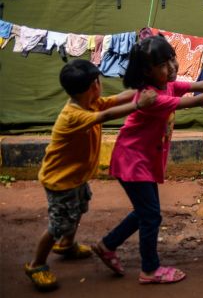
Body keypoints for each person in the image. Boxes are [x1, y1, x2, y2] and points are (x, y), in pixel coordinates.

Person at [92, 35, 203, 284]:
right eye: (165, 64)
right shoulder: (151, 98)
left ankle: (107, 245)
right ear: (147, 71)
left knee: (145, 212)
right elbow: (196, 101)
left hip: (141, 160)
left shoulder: (166, 86)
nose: (173, 66)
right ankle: (149, 269)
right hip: (133, 162)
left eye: (172, 59)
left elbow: (199, 87)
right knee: (151, 215)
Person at [24, 59, 157, 291]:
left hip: (76, 178)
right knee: (58, 224)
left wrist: (140, 92)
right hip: (60, 182)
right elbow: (106, 116)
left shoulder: (91, 102)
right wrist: (139, 105)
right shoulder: (73, 115)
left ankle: (66, 245)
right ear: (94, 85)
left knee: (79, 209)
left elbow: (116, 100)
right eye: (99, 80)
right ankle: (37, 264)